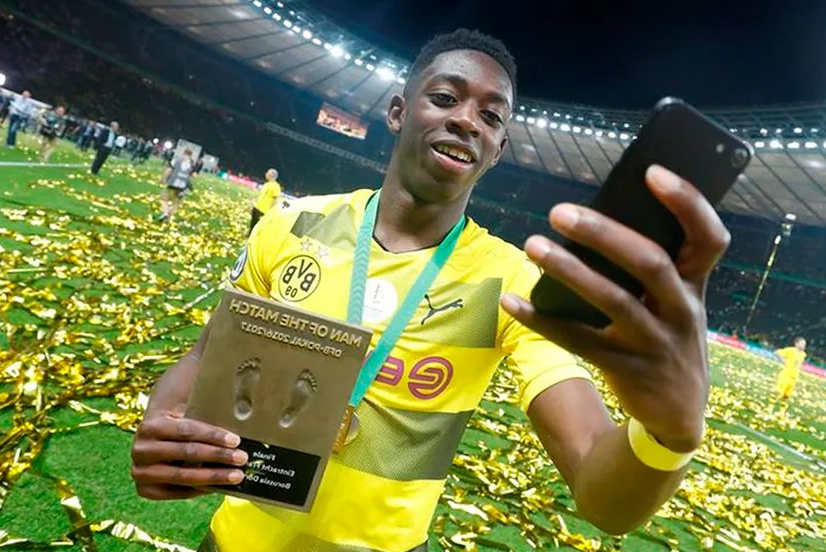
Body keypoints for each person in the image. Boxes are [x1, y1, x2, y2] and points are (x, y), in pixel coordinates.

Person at [130, 29, 728, 552]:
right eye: (444, 98)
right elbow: (205, 359)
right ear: (397, 112)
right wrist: (161, 430)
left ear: (498, 151)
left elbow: (605, 500)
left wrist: (669, 436)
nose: (468, 119)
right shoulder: (292, 225)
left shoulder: (510, 282)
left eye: (492, 117)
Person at [156, 147, 196, 223]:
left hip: (173, 183)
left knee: (163, 199)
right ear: (191, 155)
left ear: (184, 152)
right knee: (176, 204)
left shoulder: (177, 159)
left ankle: (165, 212)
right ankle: (167, 219)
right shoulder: (192, 164)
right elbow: (192, 176)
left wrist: (163, 178)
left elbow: (169, 170)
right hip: (182, 187)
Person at [248, 168, 281, 236]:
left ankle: (252, 240)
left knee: (258, 228)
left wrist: (271, 211)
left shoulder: (276, 186)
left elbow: (275, 200)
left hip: (264, 210)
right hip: (257, 207)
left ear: (272, 175)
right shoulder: (267, 184)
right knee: (252, 225)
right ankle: (248, 239)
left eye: (267, 173)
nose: (266, 174)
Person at [774, 337, 808, 403]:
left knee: (786, 395)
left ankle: (782, 411)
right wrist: (783, 360)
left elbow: (800, 363)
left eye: (804, 345)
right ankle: (770, 407)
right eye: (802, 344)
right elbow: (776, 353)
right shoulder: (790, 350)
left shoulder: (803, 354)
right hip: (786, 375)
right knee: (778, 392)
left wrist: (799, 368)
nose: (804, 346)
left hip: (794, 377)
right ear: (796, 344)